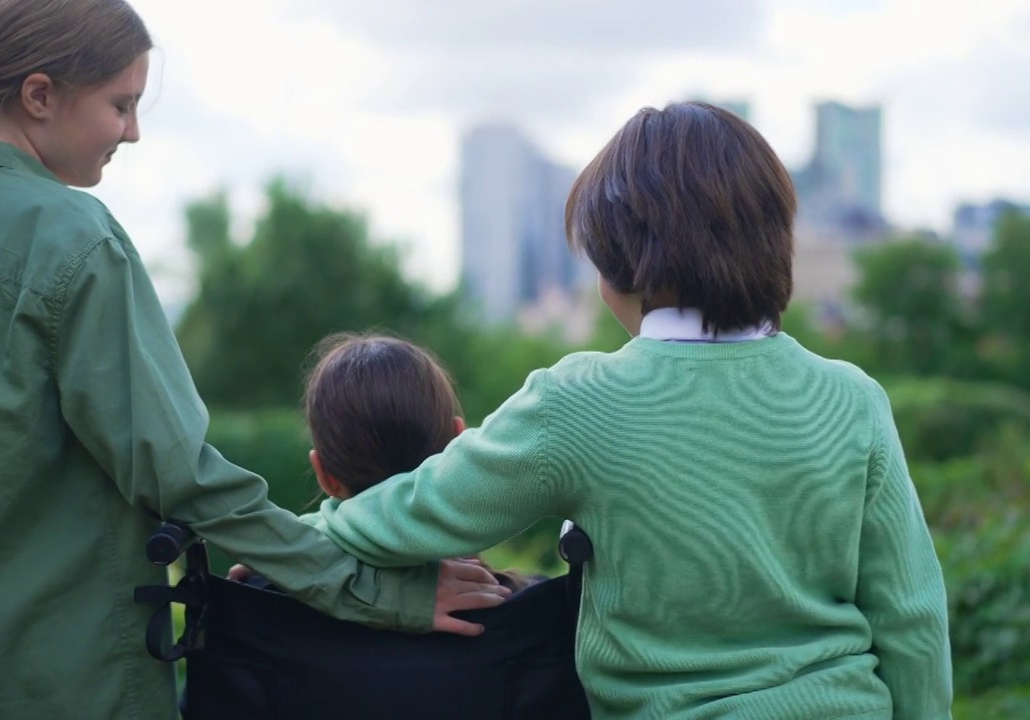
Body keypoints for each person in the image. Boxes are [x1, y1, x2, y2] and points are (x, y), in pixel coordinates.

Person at [0, 1, 506, 718]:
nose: (133, 131)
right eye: (120, 104)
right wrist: (379, 591)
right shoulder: (73, 240)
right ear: (39, 96)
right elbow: (184, 479)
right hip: (62, 689)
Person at [308, 102, 954, 719]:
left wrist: (292, 542)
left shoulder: (578, 403)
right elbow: (913, 617)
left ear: (622, 265)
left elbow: (411, 513)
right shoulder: (853, 400)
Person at [252, 333, 544, 592]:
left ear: (325, 474)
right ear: (458, 447)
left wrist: (278, 554)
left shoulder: (260, 601)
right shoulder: (547, 614)